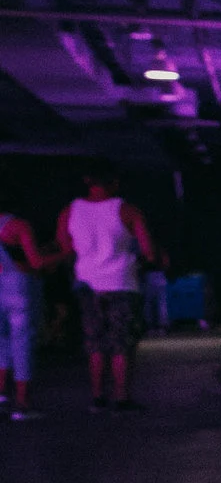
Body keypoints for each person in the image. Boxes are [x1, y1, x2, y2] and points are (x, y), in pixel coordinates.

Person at [57, 174, 158, 409]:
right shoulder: (127, 210)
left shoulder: (69, 211)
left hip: (87, 284)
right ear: (115, 182)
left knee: (95, 342)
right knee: (122, 343)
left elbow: (64, 244)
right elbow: (148, 250)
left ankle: (97, 396)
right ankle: (122, 397)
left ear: (87, 181)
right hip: (122, 282)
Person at [0, 202, 46, 418]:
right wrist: (63, 254)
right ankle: (22, 403)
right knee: (22, 344)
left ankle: (1, 394)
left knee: (2, 342)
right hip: (17, 288)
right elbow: (35, 261)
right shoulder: (18, 225)